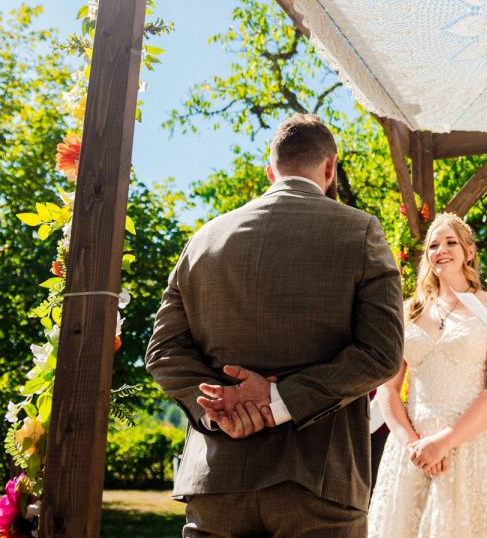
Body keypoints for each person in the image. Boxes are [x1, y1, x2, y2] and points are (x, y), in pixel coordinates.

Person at [145, 113, 405, 538]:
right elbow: (381, 353)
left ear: (271, 172)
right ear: (330, 167)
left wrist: (219, 408)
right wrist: (277, 400)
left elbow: (163, 351)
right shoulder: (360, 231)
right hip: (319, 482)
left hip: (215, 481)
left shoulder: (204, 239)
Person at [367, 212, 487, 538]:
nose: (441, 250)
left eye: (451, 242)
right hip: (412, 451)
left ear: (469, 251)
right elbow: (387, 389)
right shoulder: (406, 311)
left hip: (473, 445)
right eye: (433, 245)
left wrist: (443, 443)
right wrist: (415, 447)